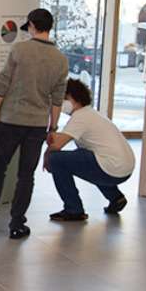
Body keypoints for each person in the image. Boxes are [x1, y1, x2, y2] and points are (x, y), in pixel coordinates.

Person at [0, 7, 68, 240]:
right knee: (26, 175)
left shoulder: (20, 50)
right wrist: (53, 127)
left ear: (31, 25)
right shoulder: (60, 59)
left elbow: (3, 85)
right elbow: (57, 99)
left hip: (11, 120)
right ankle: (17, 224)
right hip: (38, 125)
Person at [43, 78, 136, 221]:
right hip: (124, 169)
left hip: (112, 168)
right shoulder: (92, 113)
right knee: (86, 157)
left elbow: (57, 145)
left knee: (56, 160)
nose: (62, 103)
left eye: (64, 98)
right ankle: (115, 197)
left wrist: (46, 155)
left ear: (74, 98)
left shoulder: (81, 117)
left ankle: (73, 209)